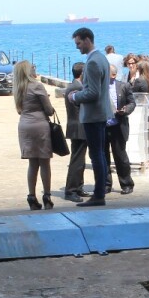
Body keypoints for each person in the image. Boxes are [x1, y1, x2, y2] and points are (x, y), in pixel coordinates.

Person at [67, 27, 113, 207]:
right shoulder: (102, 58)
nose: (77, 47)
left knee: (96, 156)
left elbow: (93, 92)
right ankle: (100, 192)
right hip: (101, 114)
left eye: (78, 43)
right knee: (100, 154)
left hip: (93, 115)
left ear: (87, 40)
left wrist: (74, 97)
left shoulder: (93, 62)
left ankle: (99, 195)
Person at [12, 60, 56, 209]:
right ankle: (47, 196)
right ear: (28, 71)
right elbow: (49, 110)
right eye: (32, 67)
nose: (34, 69)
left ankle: (31, 196)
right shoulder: (37, 86)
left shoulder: (18, 88)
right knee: (44, 162)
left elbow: (19, 110)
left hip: (24, 126)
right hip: (39, 125)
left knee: (32, 163)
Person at [61, 62, 90, 202]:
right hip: (78, 127)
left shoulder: (74, 86)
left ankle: (78, 186)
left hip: (78, 126)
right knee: (77, 160)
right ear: (82, 73)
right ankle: (71, 190)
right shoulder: (77, 88)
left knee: (81, 160)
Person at [105, 62, 135, 194]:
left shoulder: (124, 86)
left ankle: (126, 183)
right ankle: (106, 184)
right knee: (103, 156)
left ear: (114, 75)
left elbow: (132, 102)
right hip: (103, 126)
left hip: (118, 125)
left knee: (120, 156)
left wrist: (125, 110)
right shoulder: (99, 87)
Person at [129, 57, 149, 166]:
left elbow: (133, 92)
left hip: (142, 109)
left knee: (143, 135)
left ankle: (147, 158)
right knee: (147, 133)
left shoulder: (139, 80)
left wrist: (132, 82)